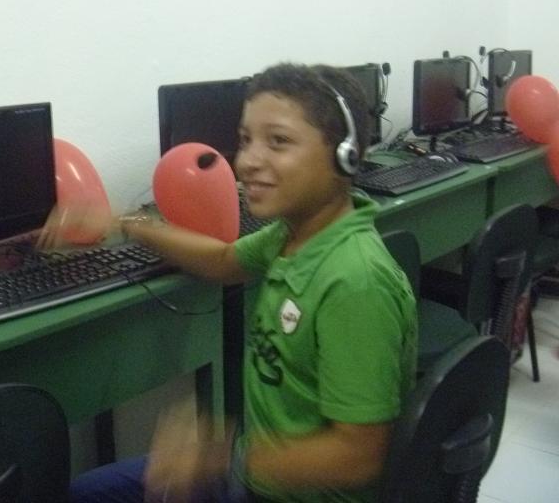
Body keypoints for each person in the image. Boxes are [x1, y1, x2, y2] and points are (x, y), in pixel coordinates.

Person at [49, 62, 418, 502]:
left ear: (345, 155)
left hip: (290, 494)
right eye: (245, 140)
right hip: (254, 472)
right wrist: (125, 223)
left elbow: (357, 457)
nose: (246, 162)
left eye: (278, 141)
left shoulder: (355, 281)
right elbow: (223, 260)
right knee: (87, 492)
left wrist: (213, 458)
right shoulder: (294, 234)